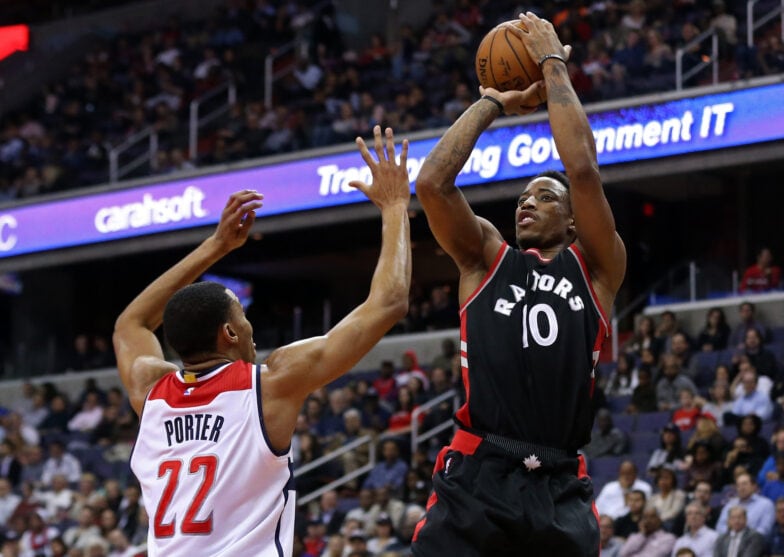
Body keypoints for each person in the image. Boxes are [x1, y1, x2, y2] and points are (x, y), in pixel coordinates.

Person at [112, 126, 412, 556]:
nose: (251, 326)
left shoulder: (151, 393)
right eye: (243, 315)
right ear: (230, 333)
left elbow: (131, 324)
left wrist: (216, 246)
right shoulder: (269, 383)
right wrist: (396, 205)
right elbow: (390, 303)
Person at [410, 12, 626, 557]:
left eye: (544, 196)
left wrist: (553, 63)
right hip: (479, 472)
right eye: (522, 198)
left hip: (558, 483)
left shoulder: (597, 267)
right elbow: (433, 184)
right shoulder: (485, 260)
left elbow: (582, 170)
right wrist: (492, 102)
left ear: (574, 221)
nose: (528, 202)